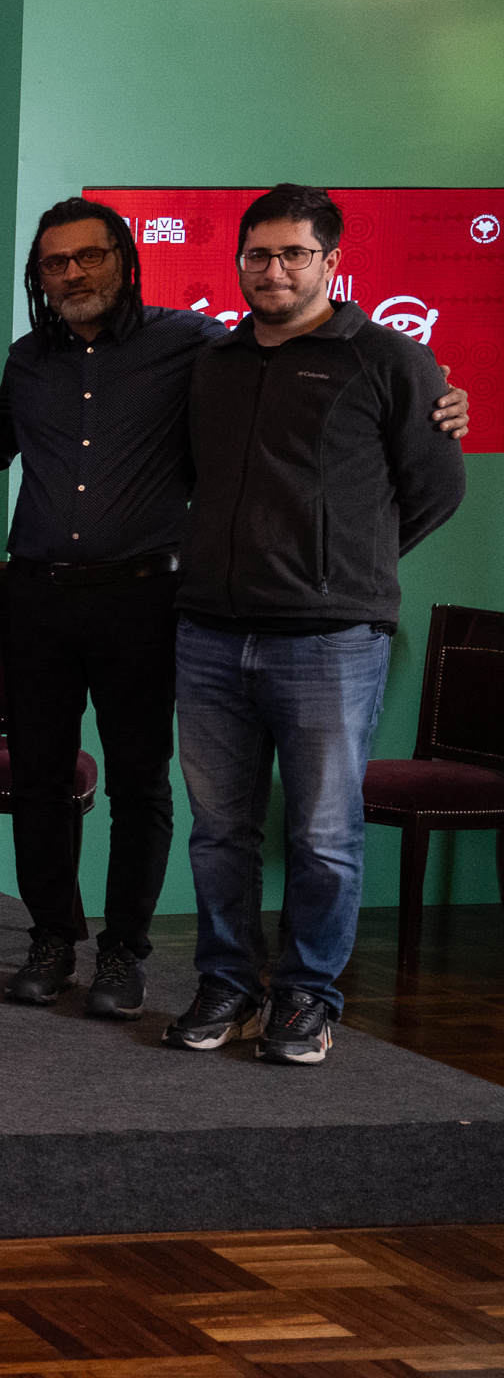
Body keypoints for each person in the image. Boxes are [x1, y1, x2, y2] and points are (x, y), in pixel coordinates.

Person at [0, 198, 471, 1017]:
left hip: (145, 599)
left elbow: (395, 447)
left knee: (141, 786)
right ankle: (50, 940)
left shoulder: (194, 345)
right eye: (55, 263)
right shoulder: (30, 359)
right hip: (37, 596)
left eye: (89, 256)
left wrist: (438, 406)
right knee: (38, 781)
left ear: (126, 260)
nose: (72, 273)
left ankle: (123, 955)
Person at [163, 185, 467, 1067]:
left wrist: (345, 566)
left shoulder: (388, 361)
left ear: (332, 263)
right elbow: (194, 476)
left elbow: (436, 487)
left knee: (325, 831)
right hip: (211, 634)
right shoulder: (214, 365)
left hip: (330, 641)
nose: (275, 270)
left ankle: (305, 996)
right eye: (258, 255)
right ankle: (226, 981)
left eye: (296, 254)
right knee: (220, 829)